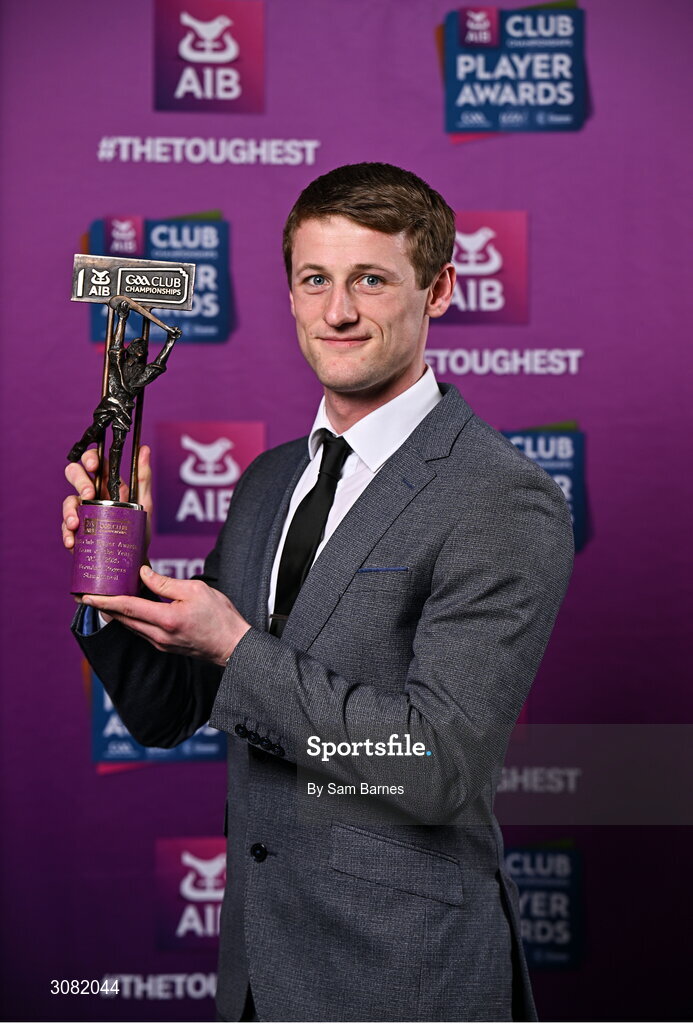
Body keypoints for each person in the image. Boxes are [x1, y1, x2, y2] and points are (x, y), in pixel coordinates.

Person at [62, 163, 574, 1022]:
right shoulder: (267, 481)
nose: (337, 312)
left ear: (439, 289)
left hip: (403, 979)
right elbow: (170, 711)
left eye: (369, 280)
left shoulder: (498, 497)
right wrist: (113, 576)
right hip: (258, 973)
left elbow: (437, 764)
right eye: (314, 280)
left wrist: (234, 646)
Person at [67, 299, 180, 500]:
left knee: (118, 445)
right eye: (136, 344)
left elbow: (159, 364)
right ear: (130, 349)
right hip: (110, 403)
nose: (140, 346)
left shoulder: (143, 373)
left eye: (143, 346)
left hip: (124, 409)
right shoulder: (117, 360)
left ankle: (113, 484)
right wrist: (122, 318)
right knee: (94, 431)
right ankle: (80, 447)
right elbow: (116, 345)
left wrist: (170, 341)